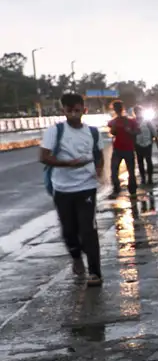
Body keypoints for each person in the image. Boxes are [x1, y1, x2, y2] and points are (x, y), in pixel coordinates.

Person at [39, 93, 104, 287]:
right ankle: (76, 257)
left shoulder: (93, 132)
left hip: (86, 187)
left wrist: (98, 171)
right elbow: (43, 156)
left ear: (85, 110)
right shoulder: (55, 131)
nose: (74, 115)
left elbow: (99, 155)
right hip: (63, 189)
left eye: (78, 110)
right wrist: (67, 164)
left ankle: (95, 272)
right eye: (70, 111)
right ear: (63, 111)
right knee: (69, 231)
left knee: (88, 229)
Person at [106, 100, 139, 199]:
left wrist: (130, 132)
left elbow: (137, 131)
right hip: (118, 149)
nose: (117, 110)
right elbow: (112, 132)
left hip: (128, 149)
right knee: (114, 170)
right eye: (115, 109)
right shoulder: (114, 121)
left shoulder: (130, 121)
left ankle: (132, 191)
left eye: (118, 108)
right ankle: (117, 189)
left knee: (130, 171)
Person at [134, 106, 158, 188]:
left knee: (148, 161)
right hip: (138, 144)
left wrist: (157, 141)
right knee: (140, 162)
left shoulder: (147, 121)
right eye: (136, 111)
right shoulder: (133, 122)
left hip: (148, 143)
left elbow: (154, 131)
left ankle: (150, 179)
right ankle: (143, 178)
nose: (138, 113)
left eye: (139, 111)